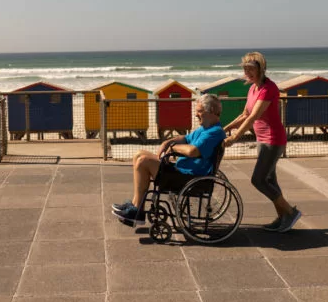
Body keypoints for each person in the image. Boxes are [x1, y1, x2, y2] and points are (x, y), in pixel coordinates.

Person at [112, 94, 226, 226]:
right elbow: (186, 138)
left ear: (211, 111)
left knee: (143, 161)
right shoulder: (205, 129)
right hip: (184, 172)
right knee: (138, 154)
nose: (196, 115)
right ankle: (135, 205)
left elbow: (192, 151)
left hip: (189, 178)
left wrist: (173, 148)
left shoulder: (214, 132)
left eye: (199, 112)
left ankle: (137, 210)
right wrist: (168, 142)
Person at [224, 51, 301, 233]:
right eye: (245, 69)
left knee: (258, 180)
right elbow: (244, 114)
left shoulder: (268, 88)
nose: (247, 73)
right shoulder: (252, 88)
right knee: (270, 180)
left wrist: (235, 138)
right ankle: (282, 217)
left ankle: (290, 213)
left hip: (273, 140)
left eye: (251, 69)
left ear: (261, 69)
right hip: (262, 139)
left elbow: (253, 117)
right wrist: (224, 129)